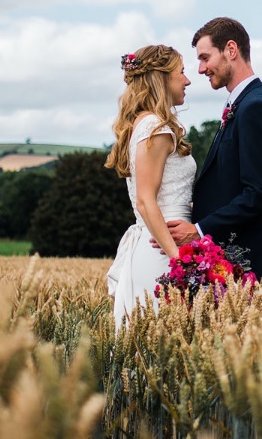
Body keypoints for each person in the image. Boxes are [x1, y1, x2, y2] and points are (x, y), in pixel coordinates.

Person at [164, 17, 262, 282]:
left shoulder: (255, 107)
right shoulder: (244, 103)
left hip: (261, 266)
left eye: (205, 58)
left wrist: (199, 229)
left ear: (231, 50)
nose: (200, 69)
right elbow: (233, 184)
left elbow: (259, 193)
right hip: (245, 264)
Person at [103, 44, 194, 328]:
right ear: (162, 79)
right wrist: (180, 261)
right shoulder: (157, 129)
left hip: (154, 243)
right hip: (162, 252)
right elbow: (145, 201)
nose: (188, 80)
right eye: (182, 72)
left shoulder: (142, 124)